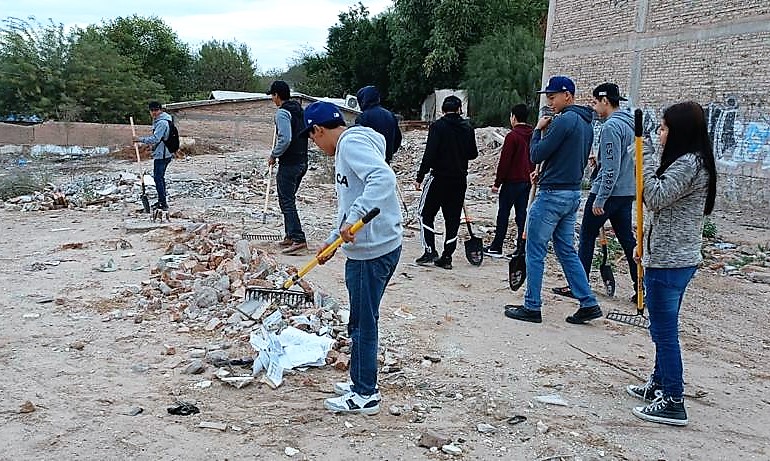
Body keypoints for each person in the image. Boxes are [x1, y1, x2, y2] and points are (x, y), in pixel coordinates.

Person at [300, 101, 403, 415]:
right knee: (362, 320)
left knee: (362, 323)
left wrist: (356, 216)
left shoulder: (350, 145)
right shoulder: (356, 142)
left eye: (314, 139)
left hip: (370, 253)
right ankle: (361, 380)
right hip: (377, 245)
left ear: (318, 130)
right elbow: (351, 201)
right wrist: (334, 239)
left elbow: (384, 179)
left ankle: (364, 394)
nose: (316, 145)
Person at [627, 101, 717, 426]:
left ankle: (674, 400)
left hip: (671, 262)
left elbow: (654, 196)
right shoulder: (689, 161)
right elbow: (664, 212)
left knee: (664, 333)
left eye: (664, 128)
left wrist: (644, 156)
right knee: (662, 328)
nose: (659, 133)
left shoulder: (689, 165)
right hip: (667, 256)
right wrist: (644, 247)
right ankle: (659, 384)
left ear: (679, 131)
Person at [504, 76, 602, 325]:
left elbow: (536, 153)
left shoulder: (564, 121)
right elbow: (568, 158)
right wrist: (546, 172)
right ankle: (588, 302)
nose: (550, 101)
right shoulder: (585, 124)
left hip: (551, 196)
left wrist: (537, 131)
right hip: (571, 194)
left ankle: (532, 306)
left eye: (553, 96)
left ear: (567, 95)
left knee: (534, 250)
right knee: (566, 250)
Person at [552, 83, 639, 303]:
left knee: (587, 235)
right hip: (626, 192)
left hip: (608, 193)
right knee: (628, 240)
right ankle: (641, 287)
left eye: (594, 102)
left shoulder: (611, 127)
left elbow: (611, 168)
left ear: (605, 101)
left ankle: (579, 284)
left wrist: (600, 197)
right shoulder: (630, 124)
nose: (593, 106)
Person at [414, 95, 479, 270]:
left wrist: (420, 176)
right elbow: (473, 154)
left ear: (443, 110)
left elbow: (430, 153)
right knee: (453, 219)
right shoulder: (467, 128)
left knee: (425, 213)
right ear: (459, 109)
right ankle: (447, 256)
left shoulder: (437, 127)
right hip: (459, 179)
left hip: (438, 178)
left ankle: (430, 250)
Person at [485, 104, 534, 258]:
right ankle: (521, 247)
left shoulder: (512, 136)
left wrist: (497, 183)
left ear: (513, 117)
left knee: (503, 214)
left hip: (512, 181)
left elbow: (505, 162)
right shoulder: (534, 134)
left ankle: (497, 246)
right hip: (527, 181)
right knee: (522, 215)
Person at [267, 80, 309, 255]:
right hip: (302, 161)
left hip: (289, 163)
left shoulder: (283, 113)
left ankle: (298, 238)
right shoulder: (299, 111)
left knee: (286, 200)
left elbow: (285, 138)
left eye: (272, 95)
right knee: (288, 199)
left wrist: (274, 154)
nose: (272, 99)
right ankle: (290, 234)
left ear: (277, 95)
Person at [134, 101, 174, 211]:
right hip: (163, 152)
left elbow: (156, 138)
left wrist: (139, 139)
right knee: (159, 178)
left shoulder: (162, 123)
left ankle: (163, 203)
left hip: (163, 154)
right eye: (152, 110)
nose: (154, 112)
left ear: (160, 110)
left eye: (156, 110)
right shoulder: (162, 120)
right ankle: (162, 200)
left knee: (158, 178)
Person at [355, 85, 402, 164]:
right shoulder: (390, 115)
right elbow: (398, 138)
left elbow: (358, 143)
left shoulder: (363, 118)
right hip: (385, 160)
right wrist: (389, 153)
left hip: (369, 161)